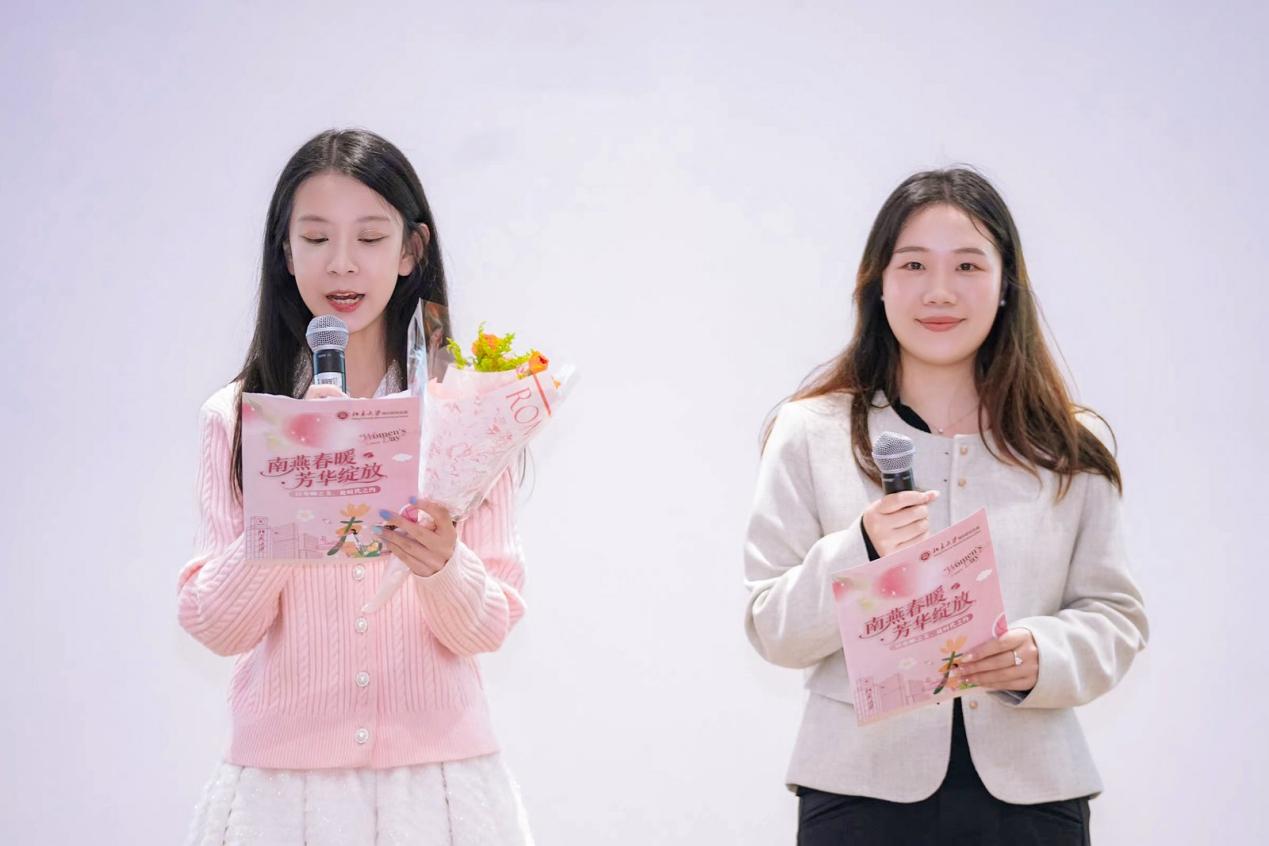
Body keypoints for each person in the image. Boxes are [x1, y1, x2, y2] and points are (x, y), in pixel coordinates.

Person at [743, 167, 1148, 845]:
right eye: (912, 265)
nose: (939, 291)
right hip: (858, 794)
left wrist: (1042, 655)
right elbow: (770, 627)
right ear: (877, 283)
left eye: (967, 265)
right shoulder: (811, 431)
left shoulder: (1069, 442)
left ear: (1006, 284)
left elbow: (1115, 615)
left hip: (1033, 798)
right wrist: (862, 550)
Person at [179, 128, 533, 845]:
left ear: (411, 251)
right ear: (285, 252)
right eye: (315, 238)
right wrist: (288, 495)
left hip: (439, 792)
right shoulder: (239, 418)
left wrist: (442, 565)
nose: (341, 263)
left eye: (370, 237)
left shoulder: (464, 414)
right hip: (283, 798)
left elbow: (487, 627)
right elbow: (216, 626)